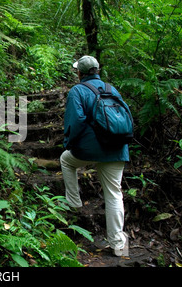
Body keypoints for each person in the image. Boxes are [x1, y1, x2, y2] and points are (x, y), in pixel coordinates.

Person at [60, 55, 130, 257]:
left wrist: (69, 143)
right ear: (97, 70)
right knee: (114, 193)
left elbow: (76, 122)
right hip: (117, 148)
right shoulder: (111, 89)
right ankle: (118, 245)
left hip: (90, 149)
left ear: (79, 73)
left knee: (66, 159)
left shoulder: (78, 91)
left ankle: (73, 204)